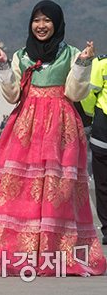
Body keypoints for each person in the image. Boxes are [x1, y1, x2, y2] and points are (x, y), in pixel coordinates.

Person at [0, 0, 106, 276]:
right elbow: (13, 96)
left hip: (61, 128)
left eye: (47, 20)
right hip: (26, 127)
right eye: (37, 20)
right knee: (24, 188)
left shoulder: (72, 54)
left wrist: (82, 64)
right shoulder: (21, 56)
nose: (41, 26)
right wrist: (4, 67)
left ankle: (57, 252)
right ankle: (22, 252)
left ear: (57, 24)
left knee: (58, 190)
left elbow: (76, 94)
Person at [81, 54, 107, 245]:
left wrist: (89, 115)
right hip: (102, 131)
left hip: (102, 127)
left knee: (103, 183)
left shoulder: (101, 63)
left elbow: (89, 94)